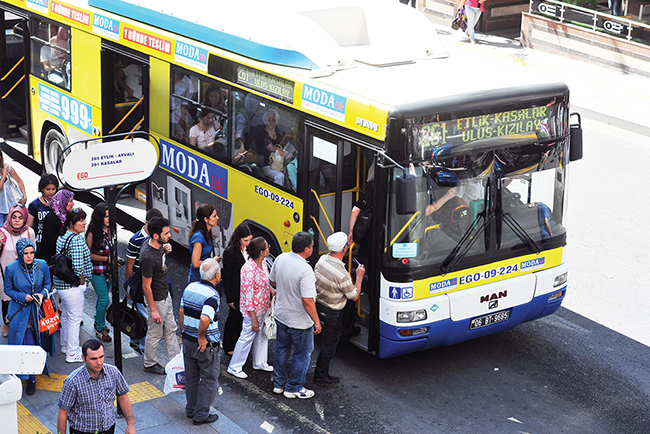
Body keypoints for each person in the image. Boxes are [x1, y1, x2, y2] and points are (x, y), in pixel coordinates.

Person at [270, 231, 321, 399]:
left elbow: (273, 281)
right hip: (299, 322)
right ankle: (294, 388)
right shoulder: (305, 270)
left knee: (281, 349)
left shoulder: (281, 258)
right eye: (312, 246)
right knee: (302, 354)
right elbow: (307, 300)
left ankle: (278, 384)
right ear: (307, 249)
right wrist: (316, 321)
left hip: (281, 315)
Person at [313, 232, 365, 384]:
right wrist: (360, 276)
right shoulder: (342, 275)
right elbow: (354, 296)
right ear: (344, 249)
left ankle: (347, 331)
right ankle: (320, 374)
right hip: (333, 312)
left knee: (347, 311)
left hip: (319, 304)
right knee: (329, 344)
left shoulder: (322, 260)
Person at [5, 238, 54, 396]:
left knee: (38, 343)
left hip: (38, 312)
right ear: (20, 254)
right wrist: (22, 296)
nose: (29, 256)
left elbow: (48, 284)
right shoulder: (11, 268)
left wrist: (43, 294)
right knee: (29, 345)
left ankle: (30, 374)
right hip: (20, 313)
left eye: (32, 252)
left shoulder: (43, 265)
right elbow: (8, 290)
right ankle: (31, 378)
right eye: (25, 253)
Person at [57, 339, 136, 434]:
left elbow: (123, 396)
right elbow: (63, 412)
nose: (99, 362)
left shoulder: (113, 372)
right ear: (83, 358)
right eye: (93, 359)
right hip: (82, 431)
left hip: (108, 429)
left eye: (101, 357)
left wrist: (130, 424)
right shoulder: (72, 381)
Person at [179, 258, 222, 426]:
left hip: (188, 340)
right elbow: (205, 318)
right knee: (209, 379)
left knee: (191, 377)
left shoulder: (190, 287)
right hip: (205, 345)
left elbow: (182, 311)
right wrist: (201, 337)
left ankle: (191, 409)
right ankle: (201, 414)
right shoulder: (212, 295)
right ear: (217, 275)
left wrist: (183, 332)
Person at [227, 237, 275, 378]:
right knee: (247, 336)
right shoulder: (248, 269)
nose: (269, 247)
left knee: (262, 335)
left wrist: (272, 291)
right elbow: (248, 297)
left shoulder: (263, 262)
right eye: (267, 247)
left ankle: (260, 362)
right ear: (261, 252)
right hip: (252, 310)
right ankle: (234, 367)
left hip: (264, 306)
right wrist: (253, 319)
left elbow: (265, 282)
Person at [141, 217, 180, 374]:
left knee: (171, 328)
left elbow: (160, 261)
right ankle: (149, 363)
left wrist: (166, 250)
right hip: (157, 300)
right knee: (155, 333)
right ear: (156, 235)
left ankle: (176, 362)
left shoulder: (157, 246)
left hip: (165, 294)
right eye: (166, 233)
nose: (169, 235)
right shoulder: (148, 257)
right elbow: (146, 285)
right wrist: (153, 310)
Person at [125, 208, 167, 354]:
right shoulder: (136, 240)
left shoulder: (158, 238)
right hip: (141, 285)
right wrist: (129, 288)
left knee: (143, 317)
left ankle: (135, 341)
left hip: (154, 284)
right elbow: (129, 266)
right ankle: (143, 348)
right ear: (147, 223)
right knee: (146, 318)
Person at [55, 208, 92, 363]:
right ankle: (72, 353)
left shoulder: (62, 235)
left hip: (61, 284)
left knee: (66, 316)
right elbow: (77, 267)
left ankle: (65, 345)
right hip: (72, 286)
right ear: (72, 223)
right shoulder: (76, 240)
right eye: (80, 220)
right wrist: (82, 282)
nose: (84, 223)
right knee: (75, 318)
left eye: (84, 219)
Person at [86, 203, 122, 343]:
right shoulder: (92, 233)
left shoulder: (112, 230)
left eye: (110, 216)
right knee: (104, 299)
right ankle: (100, 328)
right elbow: (89, 255)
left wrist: (114, 259)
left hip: (108, 270)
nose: (109, 219)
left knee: (102, 298)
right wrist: (108, 259)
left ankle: (97, 320)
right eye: (106, 216)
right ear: (99, 217)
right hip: (96, 271)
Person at [0, 205, 36, 338]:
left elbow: (33, 251)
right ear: (9, 217)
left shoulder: (29, 232)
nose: (16, 220)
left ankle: (23, 324)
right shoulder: (2, 232)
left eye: (20, 217)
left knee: (23, 299)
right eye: (14, 217)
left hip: (24, 274)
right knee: (7, 300)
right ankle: (6, 323)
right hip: (4, 273)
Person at [221, 223, 253, 355]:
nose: (248, 243)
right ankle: (229, 345)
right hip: (236, 291)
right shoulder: (230, 252)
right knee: (234, 318)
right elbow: (227, 277)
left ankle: (238, 343)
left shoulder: (249, 250)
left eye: (250, 240)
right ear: (239, 238)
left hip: (246, 291)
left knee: (243, 319)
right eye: (246, 240)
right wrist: (230, 298)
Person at [253, 108, 288, 186]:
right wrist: (286, 154)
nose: (271, 123)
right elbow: (272, 148)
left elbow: (282, 146)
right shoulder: (262, 134)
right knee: (280, 176)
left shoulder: (278, 133)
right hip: (267, 165)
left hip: (279, 163)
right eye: (269, 120)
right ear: (265, 122)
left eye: (274, 120)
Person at [39, 189, 74, 262]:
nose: (73, 204)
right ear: (63, 202)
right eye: (70, 201)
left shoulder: (67, 217)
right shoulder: (51, 218)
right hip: (53, 261)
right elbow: (50, 243)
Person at [27, 173, 58, 253]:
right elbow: (29, 227)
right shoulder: (34, 205)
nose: (51, 192)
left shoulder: (59, 204)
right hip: (39, 243)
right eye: (48, 189)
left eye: (53, 189)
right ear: (42, 189)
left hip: (55, 243)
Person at [188, 203, 218, 283]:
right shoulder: (198, 238)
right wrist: (212, 261)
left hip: (205, 277)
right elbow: (195, 263)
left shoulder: (207, 232)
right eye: (214, 216)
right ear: (206, 219)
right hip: (197, 279)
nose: (217, 218)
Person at [0, 148, 27, 224]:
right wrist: (4, 174)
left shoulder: (6, 166)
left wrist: (24, 196)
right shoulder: (5, 170)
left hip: (11, 206)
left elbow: (18, 180)